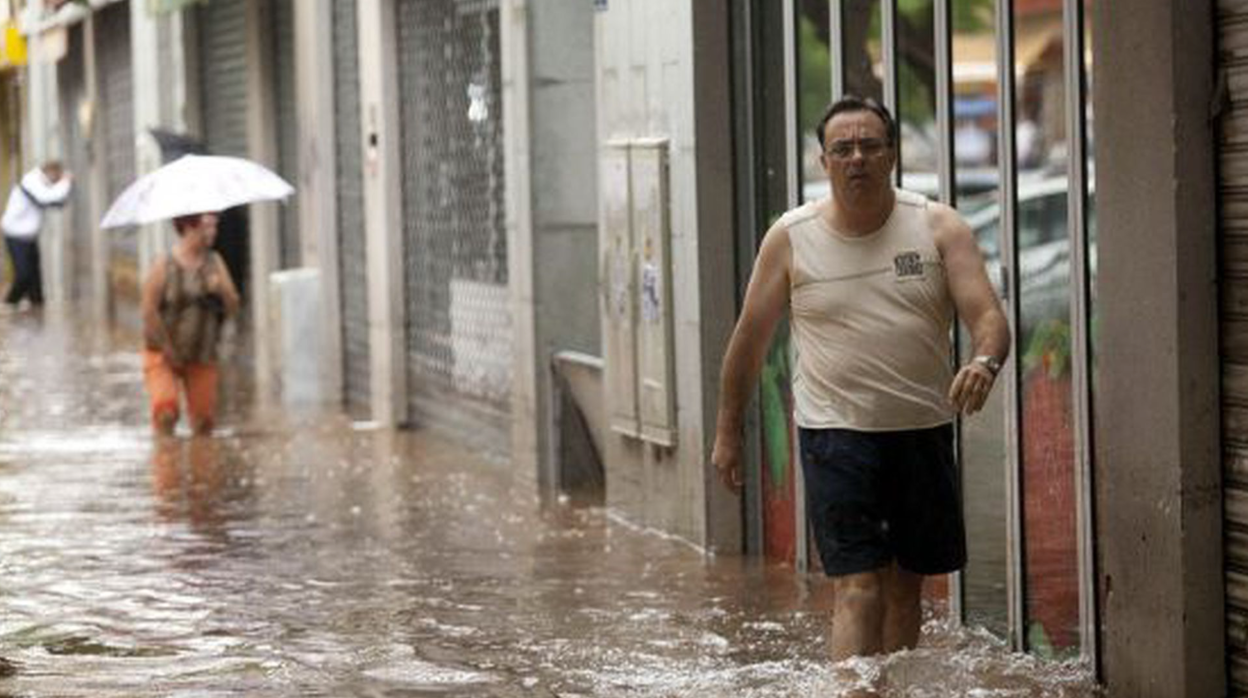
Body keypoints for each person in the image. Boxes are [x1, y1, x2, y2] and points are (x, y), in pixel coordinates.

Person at [711, 96, 1010, 661]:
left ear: (891, 155)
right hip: (835, 433)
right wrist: (728, 432)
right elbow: (749, 341)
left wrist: (984, 361)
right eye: (842, 149)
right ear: (823, 162)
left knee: (905, 588)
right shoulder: (791, 237)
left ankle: (889, 688)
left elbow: (989, 317)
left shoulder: (937, 226)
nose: (857, 159)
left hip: (921, 428)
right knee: (858, 587)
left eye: (870, 146)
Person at [139, 211, 240, 436]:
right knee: (166, 411)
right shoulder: (164, 264)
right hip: (163, 353)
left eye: (215, 226)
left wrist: (221, 290)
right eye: (207, 227)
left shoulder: (215, 262)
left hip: (202, 353)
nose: (213, 232)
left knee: (204, 422)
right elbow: (148, 310)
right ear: (188, 227)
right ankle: (166, 464)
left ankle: (201, 466)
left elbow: (233, 306)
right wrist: (167, 348)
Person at [1, 161, 72, 308]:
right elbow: (46, 198)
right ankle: (8, 304)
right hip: (15, 236)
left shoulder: (40, 183)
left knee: (35, 279)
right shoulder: (31, 181)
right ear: (51, 172)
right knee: (24, 275)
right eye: (56, 178)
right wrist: (65, 182)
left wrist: (63, 186)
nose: (55, 183)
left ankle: (37, 308)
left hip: (29, 237)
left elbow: (57, 201)